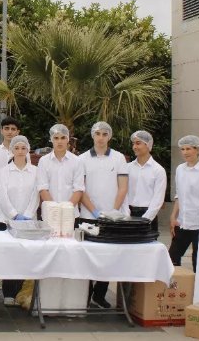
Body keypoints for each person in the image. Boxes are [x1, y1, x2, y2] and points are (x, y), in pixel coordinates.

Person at [79, 121, 129, 309]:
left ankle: (99, 295)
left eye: (104, 134)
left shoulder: (118, 158)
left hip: (112, 218)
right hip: (88, 216)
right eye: (97, 133)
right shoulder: (82, 159)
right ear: (92, 135)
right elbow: (80, 188)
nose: (101, 137)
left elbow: (123, 187)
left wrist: (113, 211)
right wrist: (94, 210)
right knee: (87, 257)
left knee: (107, 258)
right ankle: (84, 296)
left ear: (110, 136)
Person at [0, 135, 39, 306]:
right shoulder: (4, 172)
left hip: (28, 221)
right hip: (7, 220)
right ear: (12, 150)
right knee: (9, 256)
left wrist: (27, 215)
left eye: (23, 148)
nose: (20, 152)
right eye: (17, 148)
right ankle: (8, 293)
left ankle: (21, 293)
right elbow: (2, 195)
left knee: (24, 256)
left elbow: (36, 195)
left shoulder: (35, 171)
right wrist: (14, 215)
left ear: (28, 150)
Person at [168, 135, 199, 272]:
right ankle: (175, 290)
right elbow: (179, 194)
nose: (185, 152)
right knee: (172, 259)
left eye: (188, 149)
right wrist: (173, 216)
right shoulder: (180, 169)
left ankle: (197, 292)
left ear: (197, 149)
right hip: (182, 223)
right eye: (182, 149)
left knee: (198, 263)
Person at [37, 124, 84, 211]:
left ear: (68, 139)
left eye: (63, 138)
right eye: (56, 138)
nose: (59, 141)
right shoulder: (43, 161)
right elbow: (42, 188)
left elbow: (78, 188)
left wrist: (67, 209)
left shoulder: (77, 161)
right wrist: (55, 209)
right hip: (50, 213)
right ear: (51, 139)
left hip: (71, 214)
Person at [127, 130, 166, 232]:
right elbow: (123, 192)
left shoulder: (158, 170)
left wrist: (146, 219)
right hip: (127, 213)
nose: (134, 147)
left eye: (138, 143)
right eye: (133, 143)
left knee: (147, 247)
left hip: (149, 216)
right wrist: (125, 214)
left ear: (148, 145)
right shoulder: (127, 168)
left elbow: (158, 199)